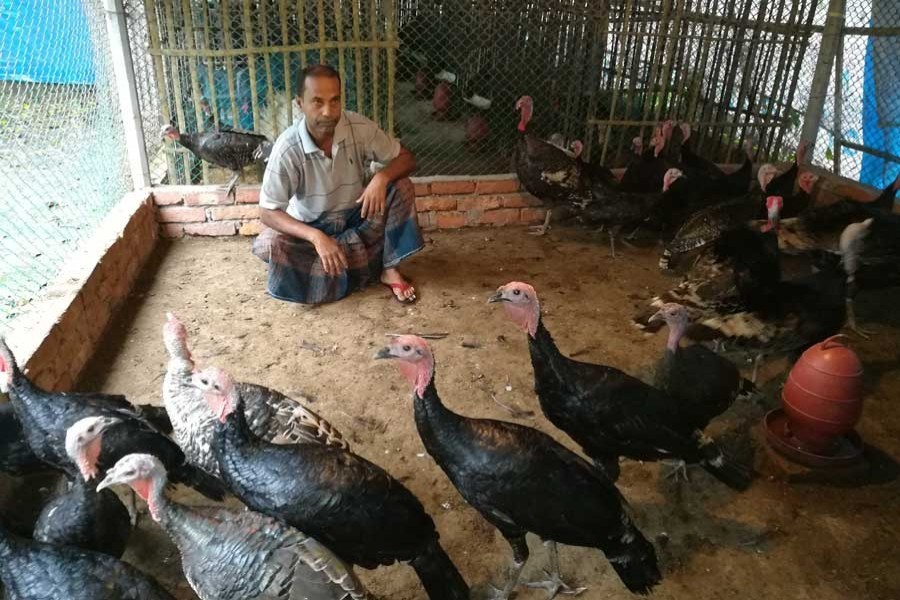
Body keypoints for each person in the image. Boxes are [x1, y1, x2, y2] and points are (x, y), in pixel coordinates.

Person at [252, 64, 422, 304]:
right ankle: (360, 262)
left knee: (401, 186)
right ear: (300, 104)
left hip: (357, 218)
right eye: (317, 102)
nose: (328, 112)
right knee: (270, 243)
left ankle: (388, 268)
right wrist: (316, 237)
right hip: (313, 226)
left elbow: (407, 158)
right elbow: (267, 212)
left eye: (335, 101)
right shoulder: (287, 148)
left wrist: (381, 178)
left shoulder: (359, 127)